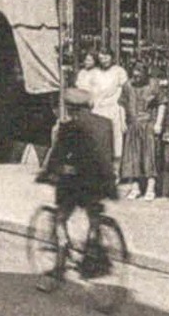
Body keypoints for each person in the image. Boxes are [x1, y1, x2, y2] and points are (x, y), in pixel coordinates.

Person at [36, 87, 117, 292]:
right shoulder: (106, 123)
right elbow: (109, 155)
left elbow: (58, 157)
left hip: (77, 183)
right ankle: (94, 246)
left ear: (71, 108)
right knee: (93, 215)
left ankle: (59, 268)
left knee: (60, 219)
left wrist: (46, 175)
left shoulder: (69, 127)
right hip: (104, 182)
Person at [119, 64, 165, 199]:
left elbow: (162, 103)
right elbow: (122, 104)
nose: (136, 78)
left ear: (145, 74)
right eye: (134, 75)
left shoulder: (154, 85)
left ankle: (151, 188)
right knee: (132, 156)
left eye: (139, 75)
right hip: (132, 124)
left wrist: (158, 123)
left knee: (149, 156)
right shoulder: (127, 85)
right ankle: (135, 187)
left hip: (148, 124)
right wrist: (122, 122)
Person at [79, 49, 129, 169]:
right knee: (100, 142)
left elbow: (126, 92)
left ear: (111, 57)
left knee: (116, 142)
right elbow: (86, 90)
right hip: (98, 110)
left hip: (114, 109)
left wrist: (124, 118)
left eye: (106, 57)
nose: (104, 60)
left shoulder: (119, 71)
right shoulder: (94, 73)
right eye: (101, 59)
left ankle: (116, 171)